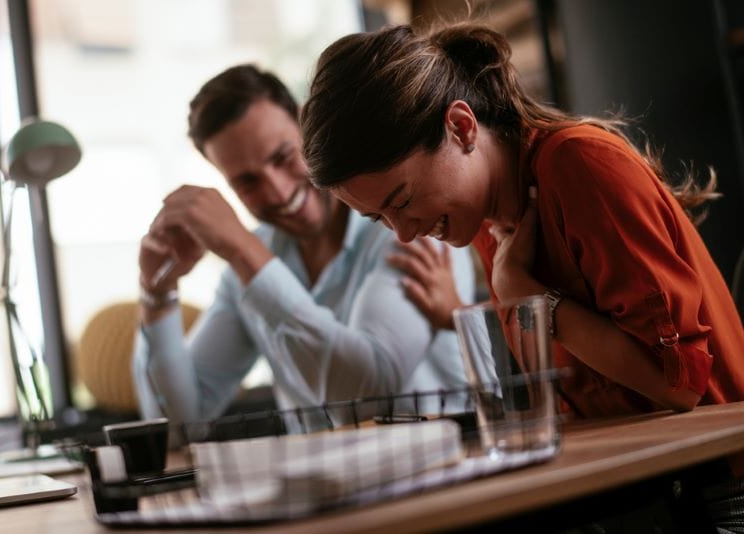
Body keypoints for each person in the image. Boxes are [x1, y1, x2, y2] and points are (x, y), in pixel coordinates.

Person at [300, 22, 744, 530]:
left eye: (401, 200)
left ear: (462, 127)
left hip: (718, 495)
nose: (403, 233)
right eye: (380, 218)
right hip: (635, 490)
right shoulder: (488, 222)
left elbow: (680, 388)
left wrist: (531, 298)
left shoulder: (580, 164)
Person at [131, 64, 476, 429]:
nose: (278, 193)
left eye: (282, 157)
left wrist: (243, 250)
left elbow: (367, 400)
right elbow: (178, 425)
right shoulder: (248, 264)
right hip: (326, 483)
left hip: (443, 471)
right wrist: (157, 292)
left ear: (305, 126)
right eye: (247, 182)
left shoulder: (407, 223)